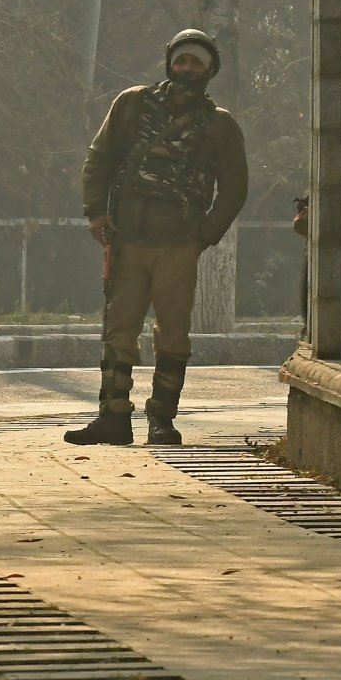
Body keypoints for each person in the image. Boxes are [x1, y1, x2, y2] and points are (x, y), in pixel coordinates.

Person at [66, 28, 247, 447]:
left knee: (173, 334)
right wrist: (96, 213)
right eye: (181, 60)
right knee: (118, 331)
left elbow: (234, 188)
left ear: (209, 70)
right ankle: (113, 417)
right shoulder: (132, 105)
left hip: (179, 244)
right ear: (170, 63)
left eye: (195, 63)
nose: (186, 68)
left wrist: (203, 235)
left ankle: (162, 420)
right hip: (128, 240)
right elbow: (99, 159)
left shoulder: (220, 126)